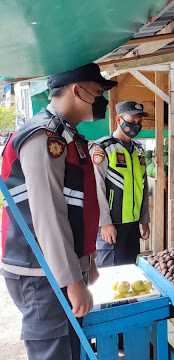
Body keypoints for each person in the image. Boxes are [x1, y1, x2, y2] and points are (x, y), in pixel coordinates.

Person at [0, 63, 117, 359]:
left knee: (71, 346)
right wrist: (72, 280)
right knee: (55, 349)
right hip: (40, 271)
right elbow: (48, 215)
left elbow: (78, 207)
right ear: (78, 90)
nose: (103, 99)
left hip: (57, 267)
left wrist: (86, 261)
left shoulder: (69, 136)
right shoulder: (44, 137)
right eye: (99, 91)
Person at [90, 101, 150, 267]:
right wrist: (105, 223)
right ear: (118, 120)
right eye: (131, 121)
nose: (135, 126)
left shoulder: (139, 152)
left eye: (139, 123)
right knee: (111, 273)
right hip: (112, 224)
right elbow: (96, 188)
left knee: (130, 270)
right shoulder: (103, 148)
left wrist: (144, 220)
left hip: (132, 224)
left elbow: (143, 188)